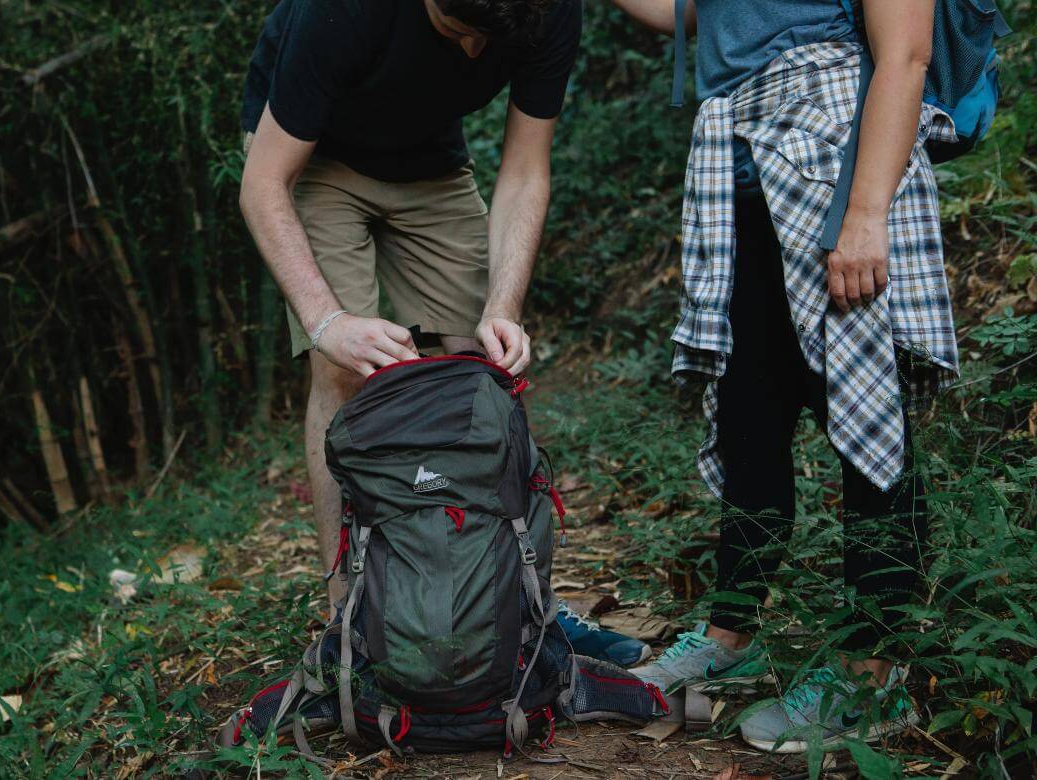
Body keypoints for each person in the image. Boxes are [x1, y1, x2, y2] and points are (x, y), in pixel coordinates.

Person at [239, 0, 649, 667]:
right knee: (347, 370)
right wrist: (328, 322)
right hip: (310, 161)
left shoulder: (546, 9)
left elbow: (524, 169)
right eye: (457, 33)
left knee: (480, 371)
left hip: (428, 160)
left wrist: (503, 307)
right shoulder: (340, 14)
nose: (469, 54)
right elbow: (264, 185)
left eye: (486, 40)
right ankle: (352, 621)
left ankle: (520, 607)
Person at [611, 0, 957, 752]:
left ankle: (874, 674)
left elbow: (904, 53)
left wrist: (865, 213)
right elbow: (690, 13)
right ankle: (731, 640)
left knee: (865, 424)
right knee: (750, 422)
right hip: (741, 176)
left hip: (836, 165)